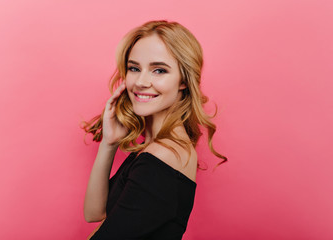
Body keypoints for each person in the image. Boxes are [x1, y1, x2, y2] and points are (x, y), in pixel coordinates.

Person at [82, 20, 227, 240]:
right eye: (134, 68)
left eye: (159, 70)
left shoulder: (162, 156)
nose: (141, 81)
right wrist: (108, 143)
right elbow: (94, 213)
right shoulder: (156, 149)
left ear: (183, 81)